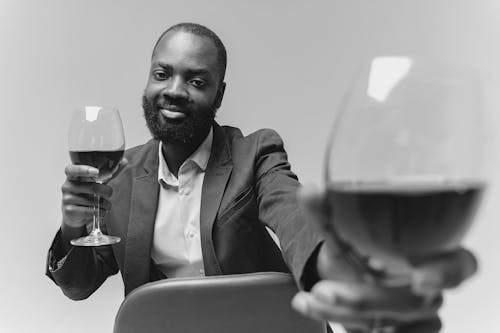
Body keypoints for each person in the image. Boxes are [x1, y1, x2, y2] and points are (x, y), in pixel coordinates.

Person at [46, 22, 477, 332]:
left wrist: (337, 274)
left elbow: (294, 214)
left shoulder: (255, 152)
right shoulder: (120, 174)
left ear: (219, 94)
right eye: (163, 74)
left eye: (196, 80)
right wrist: (73, 226)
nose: (175, 89)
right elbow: (78, 286)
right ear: (148, 81)